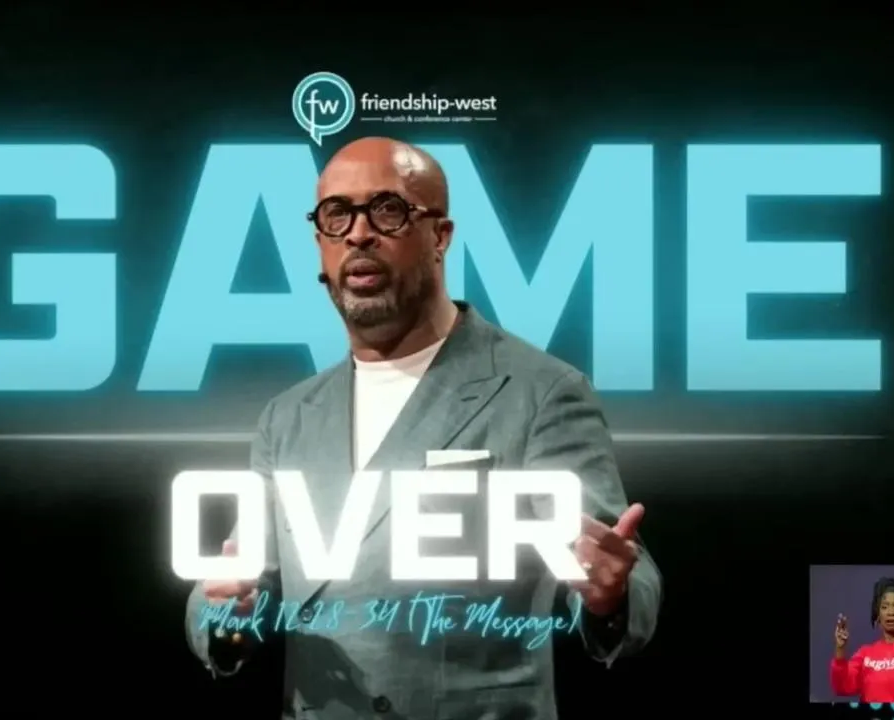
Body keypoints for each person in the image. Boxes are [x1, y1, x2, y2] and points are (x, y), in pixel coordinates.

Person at [184, 136, 662, 720]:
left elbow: (627, 573)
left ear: (440, 236)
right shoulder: (288, 417)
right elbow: (237, 583)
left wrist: (611, 594)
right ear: (320, 245)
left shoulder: (542, 393)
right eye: (337, 215)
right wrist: (224, 612)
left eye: (388, 210)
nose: (359, 234)